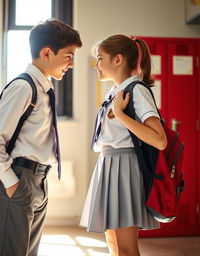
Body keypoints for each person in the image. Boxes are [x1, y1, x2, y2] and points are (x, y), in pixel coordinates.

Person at [0, 19, 82, 256]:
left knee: (28, 252)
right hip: (19, 178)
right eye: (68, 56)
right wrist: (11, 182)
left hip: (39, 179)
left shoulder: (45, 88)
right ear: (47, 53)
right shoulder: (24, 87)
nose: (71, 64)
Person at [80, 35, 167, 256]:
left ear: (117, 59)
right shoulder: (115, 91)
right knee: (113, 243)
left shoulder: (136, 90)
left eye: (100, 58)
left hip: (124, 167)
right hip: (110, 164)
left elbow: (159, 139)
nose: (96, 65)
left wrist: (120, 114)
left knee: (126, 248)